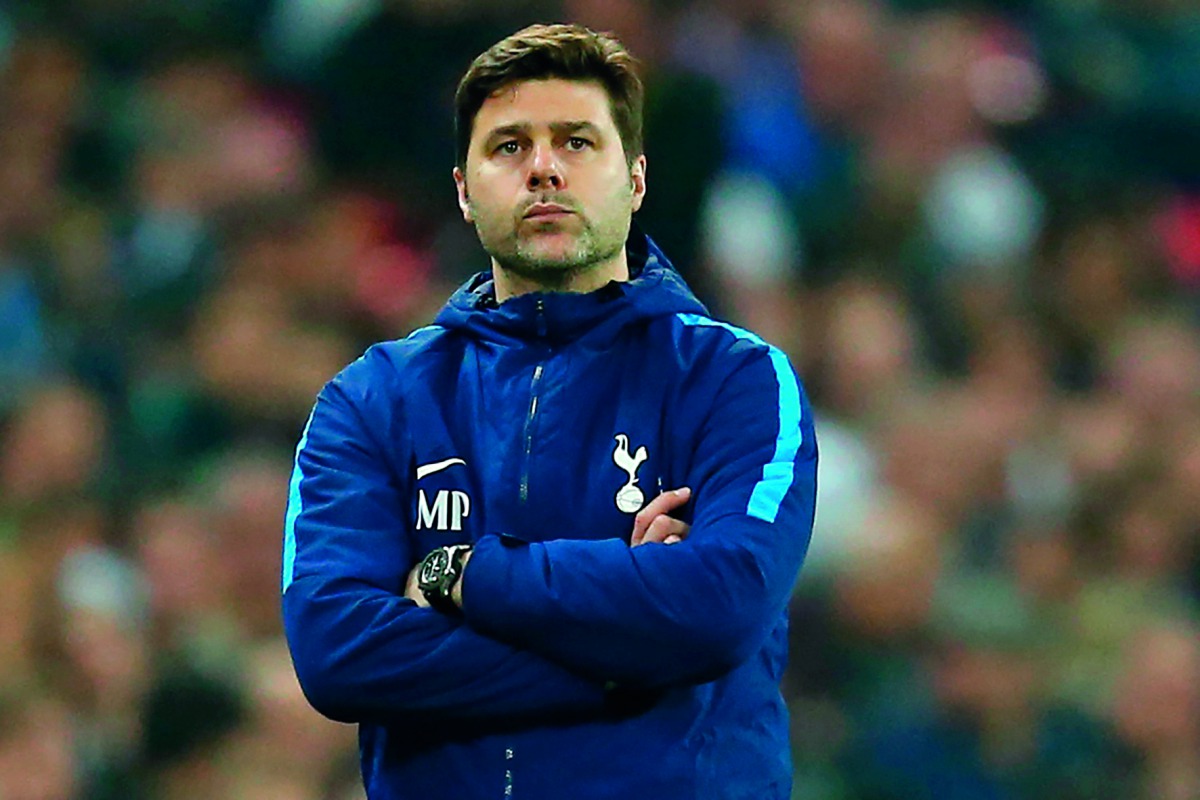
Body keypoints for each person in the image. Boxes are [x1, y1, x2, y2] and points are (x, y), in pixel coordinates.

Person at [281, 23, 818, 800]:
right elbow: (336, 652)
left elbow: (723, 603)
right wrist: (627, 651)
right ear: (463, 190)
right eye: (508, 147)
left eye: (576, 143)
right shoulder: (374, 401)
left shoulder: (733, 379)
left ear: (634, 180)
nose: (542, 169)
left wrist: (458, 574)